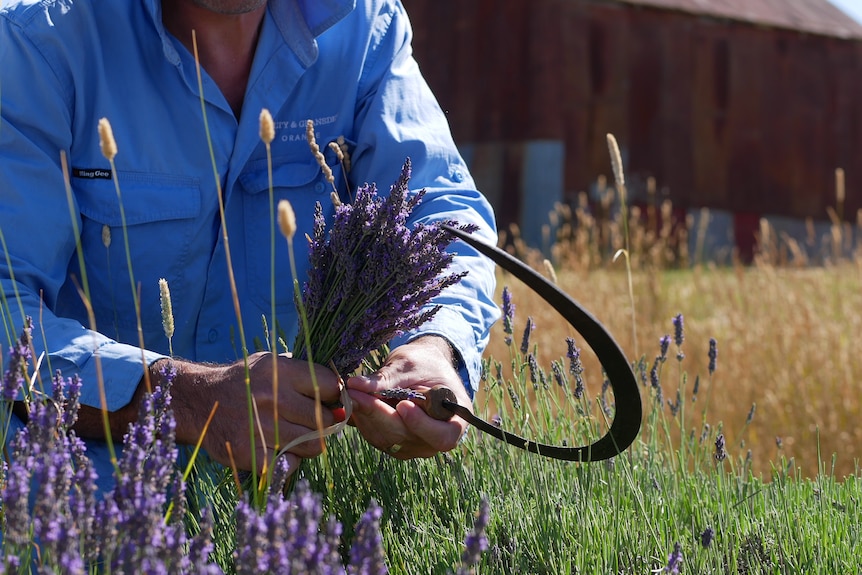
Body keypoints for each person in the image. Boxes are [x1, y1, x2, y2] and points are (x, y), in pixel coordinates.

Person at [0, 0, 499, 491]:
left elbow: (441, 214)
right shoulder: (37, 43)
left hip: (297, 506)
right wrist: (190, 401)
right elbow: (6, 308)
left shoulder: (365, 28)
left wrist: (434, 346)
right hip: (77, 511)